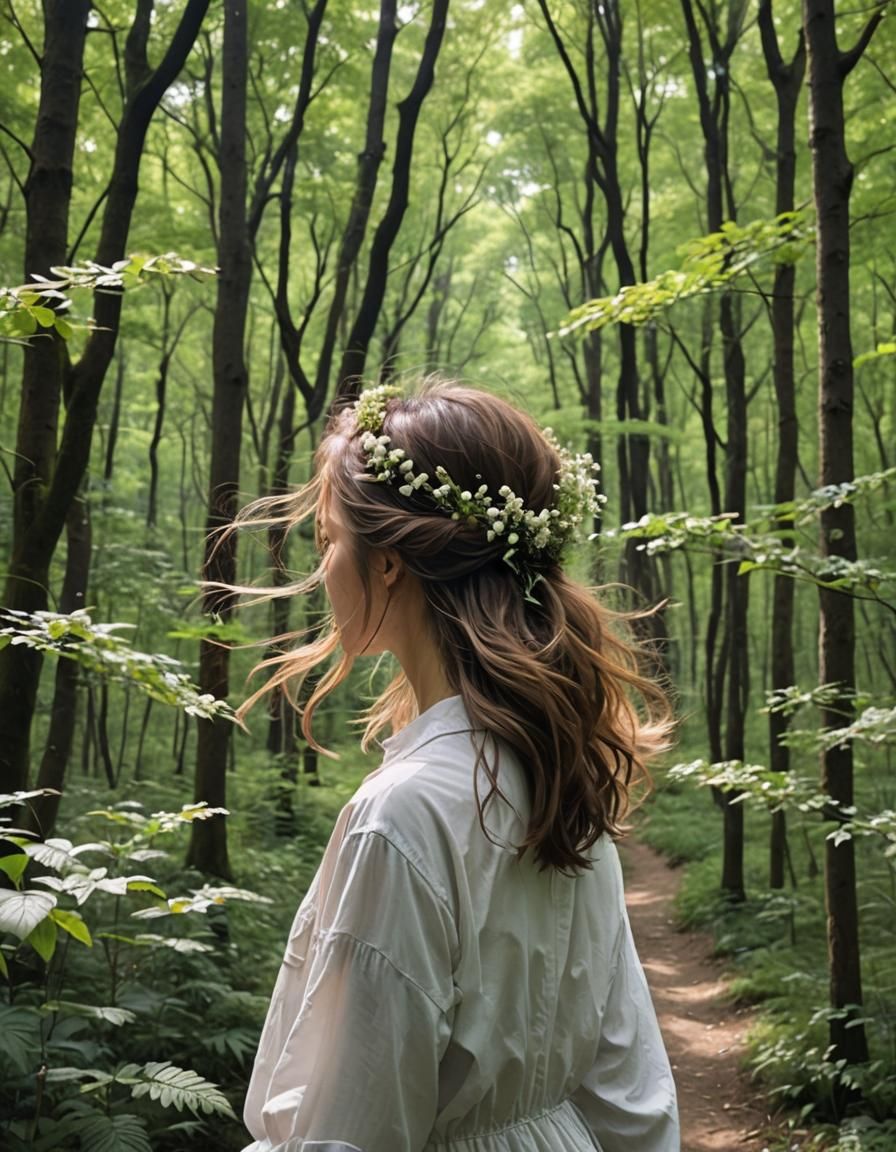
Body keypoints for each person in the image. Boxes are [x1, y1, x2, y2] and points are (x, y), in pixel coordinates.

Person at [237, 381, 680, 1152]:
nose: (322, 568)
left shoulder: (403, 814)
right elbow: (631, 1096)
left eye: (329, 538)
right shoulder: (559, 776)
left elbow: (351, 1131)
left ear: (389, 566)